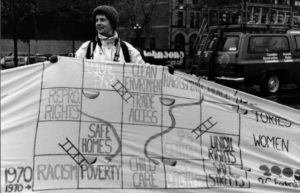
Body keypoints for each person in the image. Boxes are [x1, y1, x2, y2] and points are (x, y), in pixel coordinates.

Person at [75, 5, 145, 64]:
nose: (98, 23)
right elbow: (74, 68)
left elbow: (142, 70)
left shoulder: (126, 49)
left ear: (112, 23)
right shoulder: (87, 47)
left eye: (102, 20)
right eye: (96, 20)